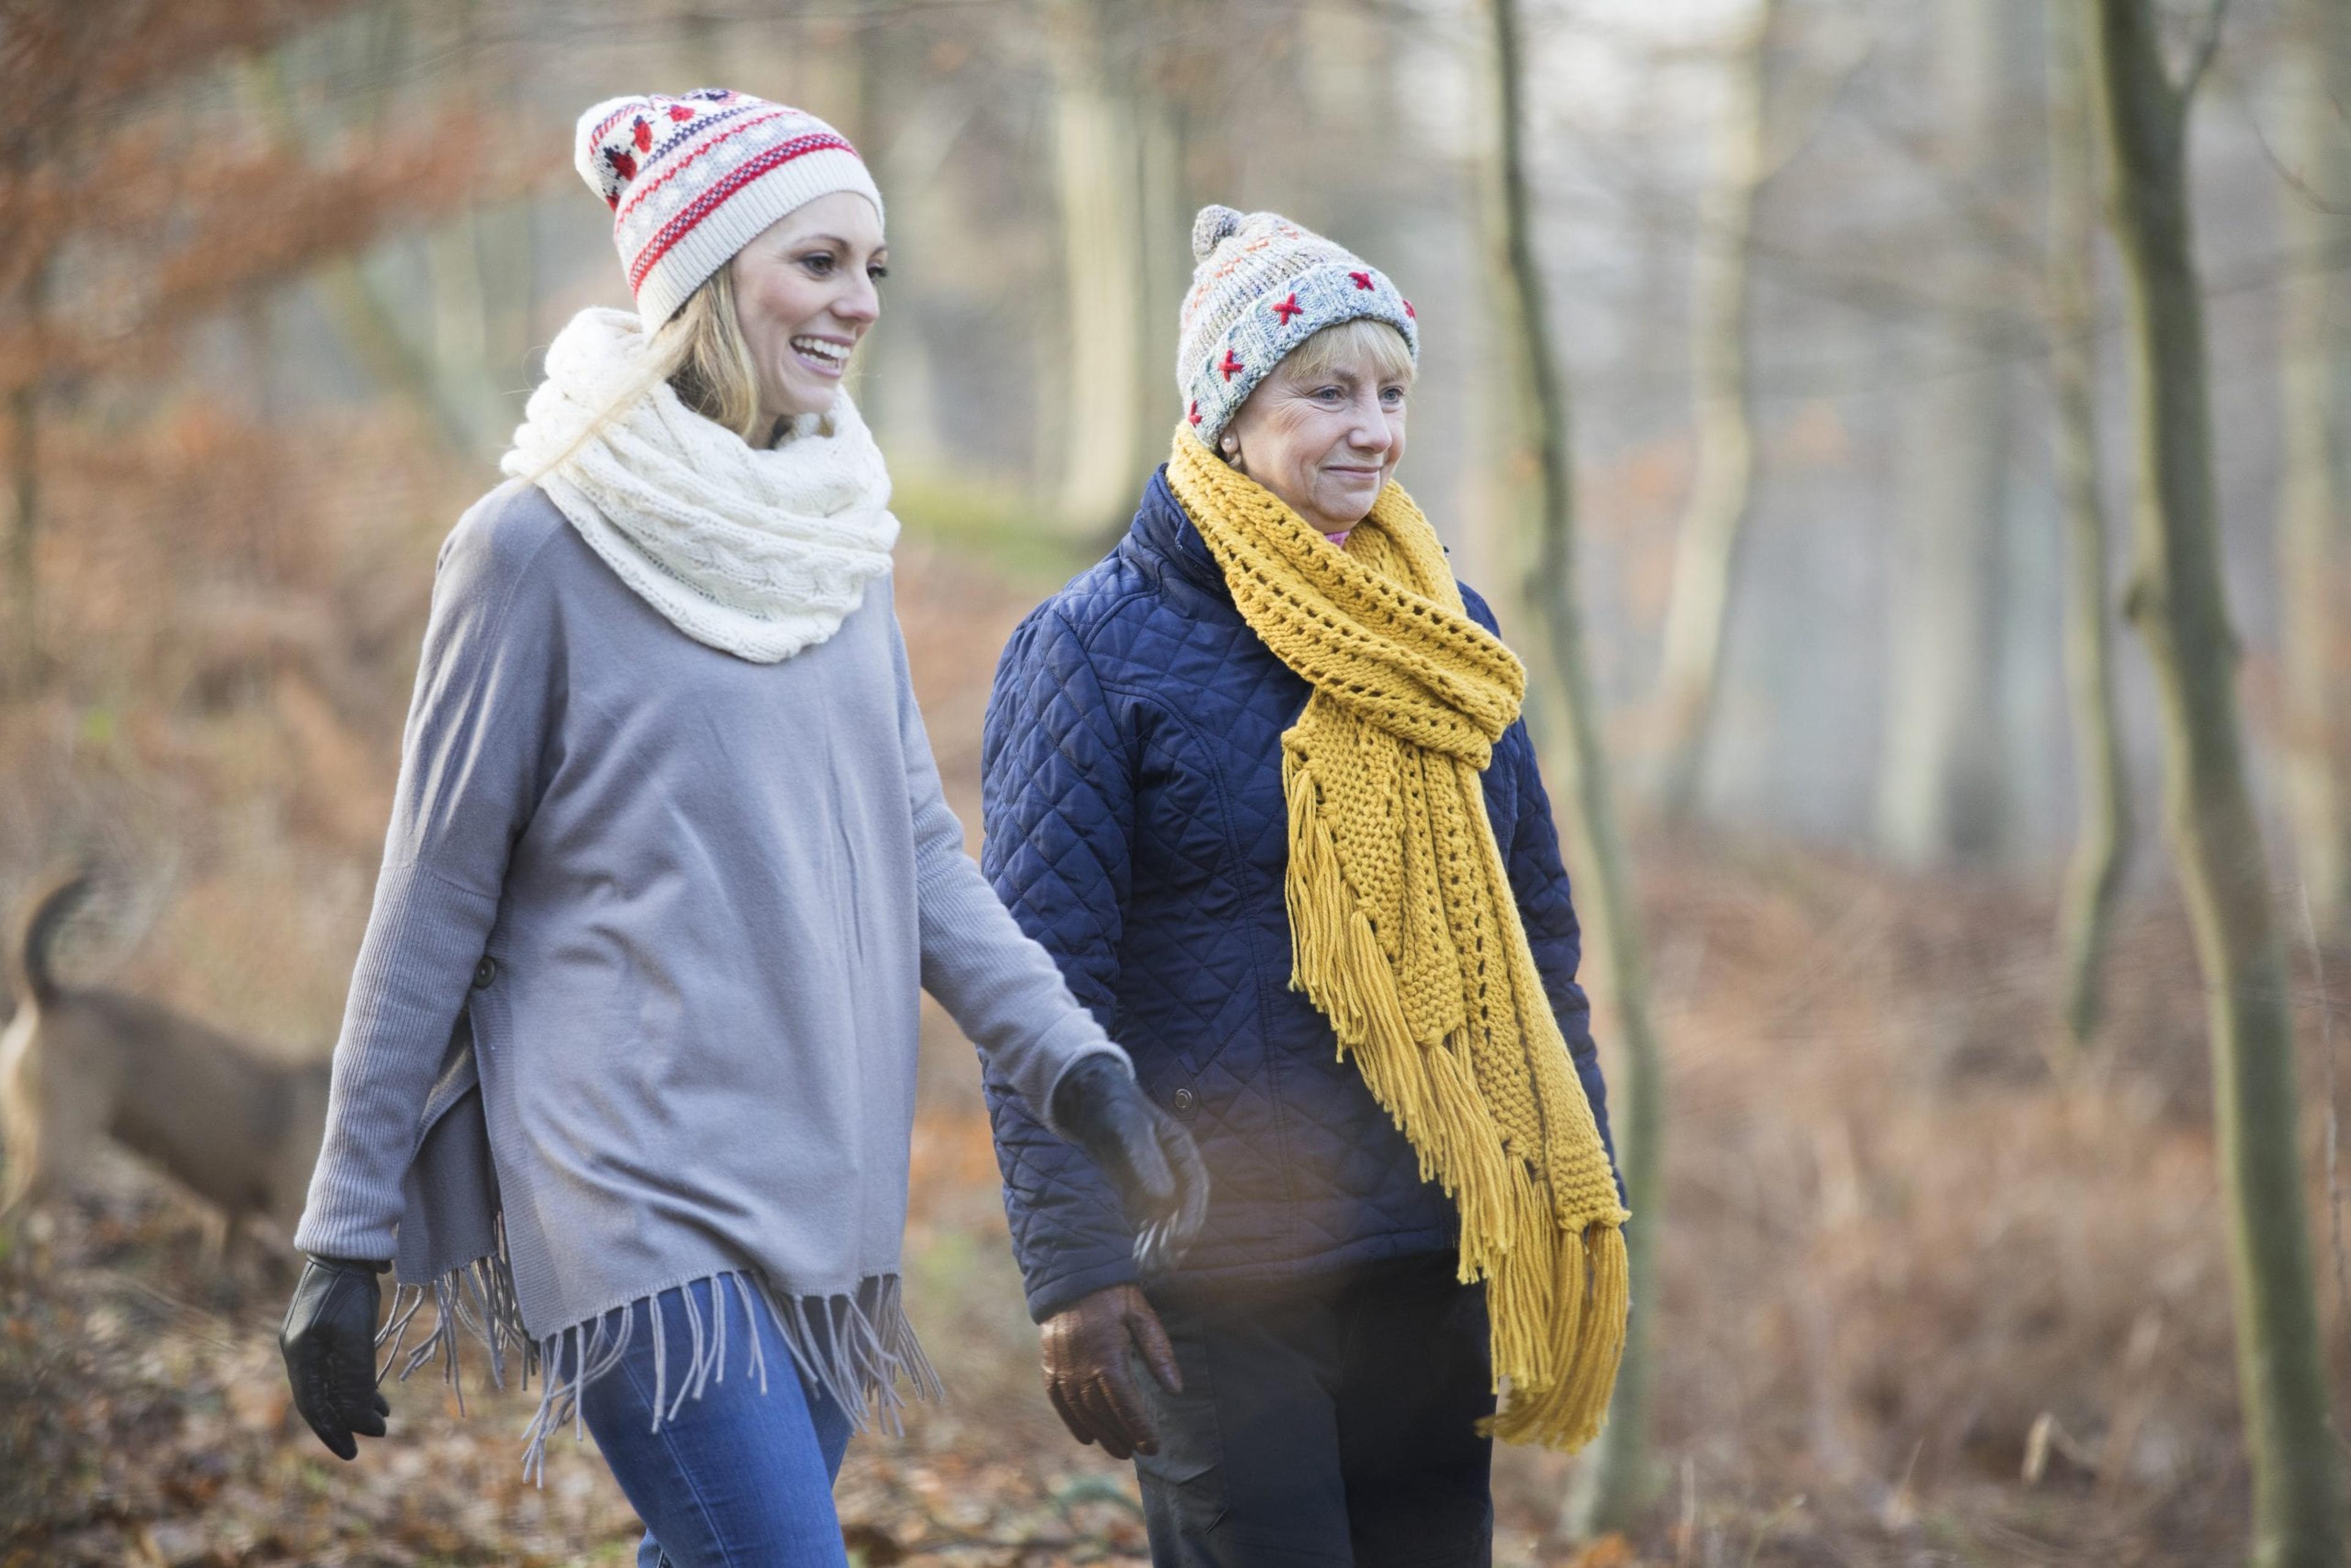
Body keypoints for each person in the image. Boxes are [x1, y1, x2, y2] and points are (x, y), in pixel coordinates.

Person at [276, 89, 1207, 1568]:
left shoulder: (836, 545)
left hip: (827, 1177)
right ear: (705, 272)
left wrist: (1079, 1072)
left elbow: (919, 857)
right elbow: (430, 903)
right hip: (628, 1182)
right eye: (818, 263)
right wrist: (344, 1233)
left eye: (873, 271)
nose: (857, 305)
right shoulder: (532, 547)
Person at [979, 206, 1630, 1567]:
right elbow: (1035, 985)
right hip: (1216, 1268)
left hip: (1431, 1244)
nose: (1372, 429)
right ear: (1228, 409)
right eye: (1324, 391)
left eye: (1391, 392)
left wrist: (1573, 1178)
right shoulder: (1093, 650)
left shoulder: (1446, 630)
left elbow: (1534, 928)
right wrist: (1077, 1268)